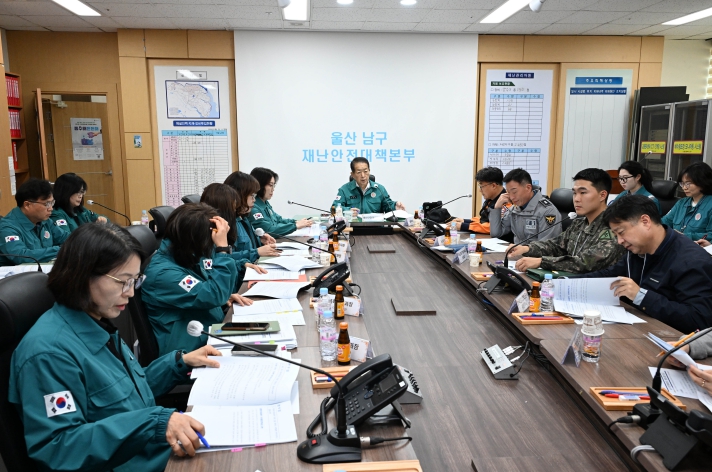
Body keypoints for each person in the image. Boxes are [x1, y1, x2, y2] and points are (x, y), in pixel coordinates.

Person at [9, 223, 221, 471]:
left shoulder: (94, 323)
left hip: (157, 454)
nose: (130, 293)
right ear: (83, 274)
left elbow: (125, 395)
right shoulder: (48, 354)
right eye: (123, 281)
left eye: (134, 281)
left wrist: (178, 363)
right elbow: (59, 447)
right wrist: (153, 423)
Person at [579, 195, 712, 333]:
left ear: (645, 221)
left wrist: (640, 296)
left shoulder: (692, 260)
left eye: (621, 232)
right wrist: (566, 283)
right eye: (616, 235)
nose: (619, 241)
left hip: (671, 340)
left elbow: (699, 320)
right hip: (637, 330)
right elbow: (609, 275)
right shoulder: (638, 250)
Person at [142, 204, 239, 355]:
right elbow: (213, 295)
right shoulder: (163, 274)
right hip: (192, 352)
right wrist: (222, 249)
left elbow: (204, 289)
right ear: (194, 240)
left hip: (211, 334)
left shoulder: (185, 255)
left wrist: (225, 294)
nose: (211, 246)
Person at [509, 168, 625, 273]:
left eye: (583, 193)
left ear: (602, 195)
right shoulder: (579, 223)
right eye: (574, 193)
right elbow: (556, 245)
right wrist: (527, 248)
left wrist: (541, 261)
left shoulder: (613, 227)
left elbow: (586, 262)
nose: (576, 199)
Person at [200, 182, 265, 296]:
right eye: (233, 210)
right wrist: (222, 248)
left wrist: (242, 265)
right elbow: (211, 279)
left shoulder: (215, 232)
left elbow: (218, 262)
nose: (235, 214)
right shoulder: (206, 238)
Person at [0, 178, 69, 265]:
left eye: (52, 203)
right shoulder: (7, 227)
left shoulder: (45, 221)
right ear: (27, 205)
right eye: (47, 204)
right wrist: (61, 250)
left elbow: (67, 238)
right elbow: (21, 256)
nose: (51, 208)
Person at [489, 168, 561, 244]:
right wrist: (497, 207)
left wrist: (523, 249)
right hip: (517, 250)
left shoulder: (547, 211)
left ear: (528, 188)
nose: (511, 197)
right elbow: (496, 234)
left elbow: (546, 246)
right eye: (508, 193)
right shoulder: (514, 209)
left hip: (534, 252)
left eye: (514, 192)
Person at [224, 171, 280, 262]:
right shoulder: (227, 223)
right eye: (252, 195)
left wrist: (260, 240)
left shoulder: (244, 218)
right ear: (239, 195)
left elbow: (249, 247)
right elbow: (225, 258)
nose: (254, 200)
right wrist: (257, 252)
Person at [450, 166, 513, 241]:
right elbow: (484, 220)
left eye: (481, 186)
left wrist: (464, 226)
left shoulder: (507, 202)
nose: (480, 190)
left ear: (493, 186)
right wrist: (465, 221)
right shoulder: (491, 200)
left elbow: (494, 227)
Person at [249, 167, 313, 237]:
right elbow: (269, 231)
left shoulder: (265, 202)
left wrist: (296, 222)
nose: (273, 189)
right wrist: (295, 226)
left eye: (274, 185)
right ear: (260, 185)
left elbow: (278, 220)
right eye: (270, 185)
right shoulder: (253, 206)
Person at [661, 162, 712, 243]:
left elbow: (710, 235)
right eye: (682, 184)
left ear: (702, 182)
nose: (684, 187)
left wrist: (685, 236)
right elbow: (664, 222)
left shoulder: (710, 204)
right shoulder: (681, 203)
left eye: (688, 183)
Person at [332, 157, 405, 213]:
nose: (363, 175)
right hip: (353, 227)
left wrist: (395, 206)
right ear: (352, 174)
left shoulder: (379, 189)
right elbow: (334, 208)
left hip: (376, 227)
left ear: (369, 171)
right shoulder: (344, 190)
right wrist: (348, 211)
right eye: (359, 172)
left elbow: (388, 206)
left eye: (365, 171)